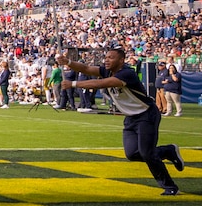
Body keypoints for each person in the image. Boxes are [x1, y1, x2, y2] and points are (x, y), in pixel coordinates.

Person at [57, 48, 184, 195]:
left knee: (147, 153)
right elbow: (85, 68)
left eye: (111, 57)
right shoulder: (107, 70)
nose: (106, 60)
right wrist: (68, 62)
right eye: (106, 57)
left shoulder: (127, 73)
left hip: (146, 115)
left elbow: (102, 84)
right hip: (130, 117)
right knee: (132, 154)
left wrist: (73, 85)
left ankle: (170, 187)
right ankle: (168, 151)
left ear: (121, 60)